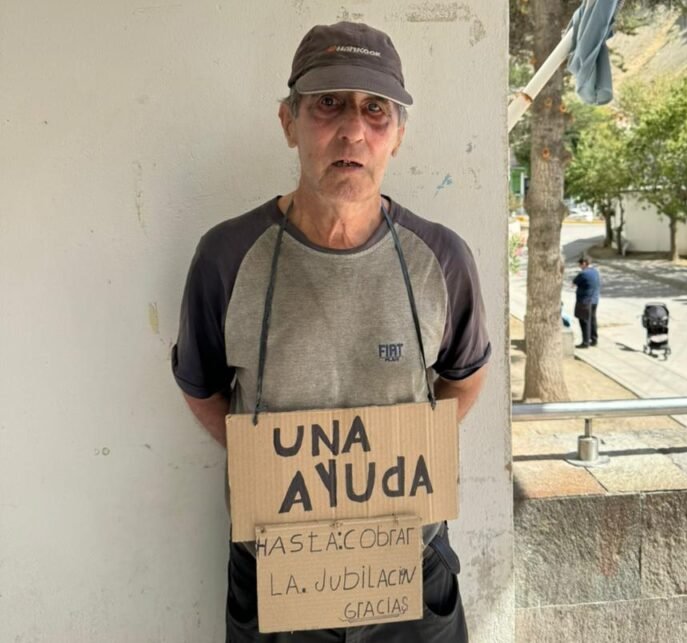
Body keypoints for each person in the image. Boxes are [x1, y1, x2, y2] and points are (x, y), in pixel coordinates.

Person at [171, 21, 490, 643]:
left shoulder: (443, 258)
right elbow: (202, 388)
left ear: (398, 135)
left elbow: (465, 377)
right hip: (275, 577)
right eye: (329, 104)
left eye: (376, 110)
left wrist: (397, 454)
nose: (352, 130)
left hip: (411, 574)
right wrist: (281, 471)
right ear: (288, 121)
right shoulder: (226, 256)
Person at [572, 254, 600, 348]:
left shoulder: (583, 274)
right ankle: (594, 339)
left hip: (584, 301)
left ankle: (585, 342)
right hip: (594, 300)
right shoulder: (595, 272)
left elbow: (573, 283)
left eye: (580, 264)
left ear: (584, 263)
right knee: (592, 319)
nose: (579, 266)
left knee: (584, 321)